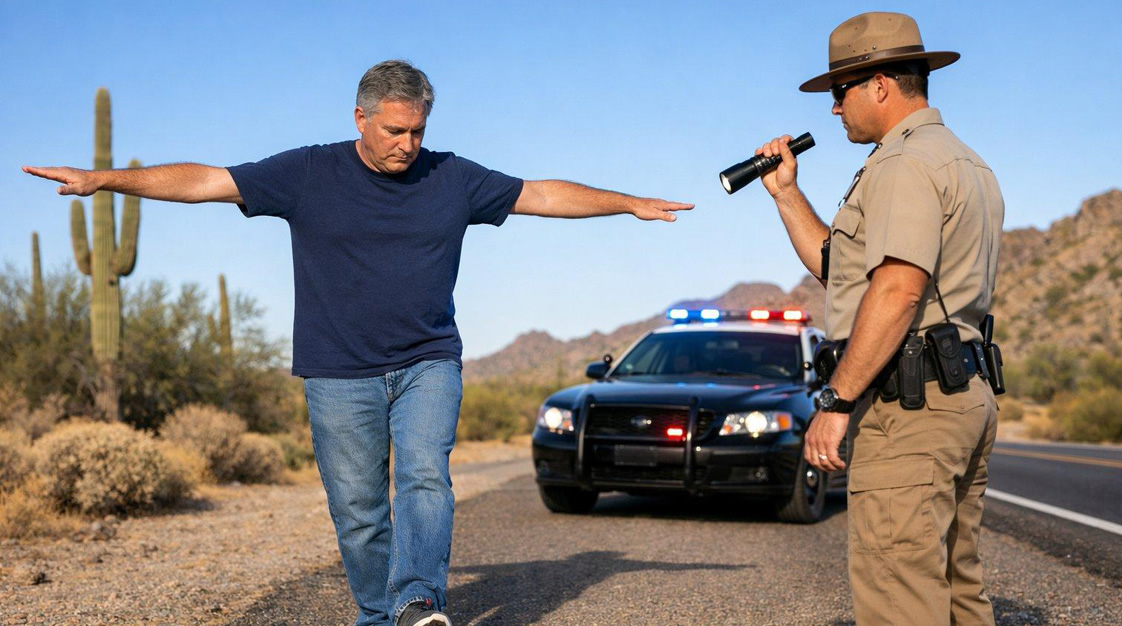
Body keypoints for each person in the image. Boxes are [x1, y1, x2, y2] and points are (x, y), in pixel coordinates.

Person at [24, 60, 693, 626]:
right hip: (338, 370)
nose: (407, 143)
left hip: (428, 358)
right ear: (360, 120)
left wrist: (627, 201)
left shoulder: (451, 177)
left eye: (417, 130)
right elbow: (207, 181)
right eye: (395, 130)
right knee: (359, 508)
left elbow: (541, 194)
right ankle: (383, 616)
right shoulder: (306, 173)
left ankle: (419, 598)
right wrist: (104, 180)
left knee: (425, 476)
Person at [753, 12, 1004, 626]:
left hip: (910, 407)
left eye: (840, 91)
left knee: (898, 598)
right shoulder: (967, 163)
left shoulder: (901, 166)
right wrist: (787, 194)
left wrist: (836, 404)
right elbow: (843, 269)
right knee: (955, 588)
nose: (834, 109)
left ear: (881, 84)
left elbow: (895, 292)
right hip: (962, 395)